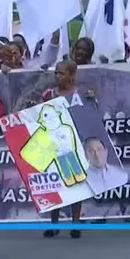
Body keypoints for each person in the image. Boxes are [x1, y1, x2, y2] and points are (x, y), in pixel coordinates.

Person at [41, 60, 88, 238]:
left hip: (74, 144)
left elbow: (90, 114)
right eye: (56, 73)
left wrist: (92, 100)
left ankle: (75, 223)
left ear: (72, 75)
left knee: (75, 182)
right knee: (55, 184)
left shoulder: (81, 94)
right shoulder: (48, 94)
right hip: (53, 145)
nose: (58, 76)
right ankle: (54, 223)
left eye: (62, 73)